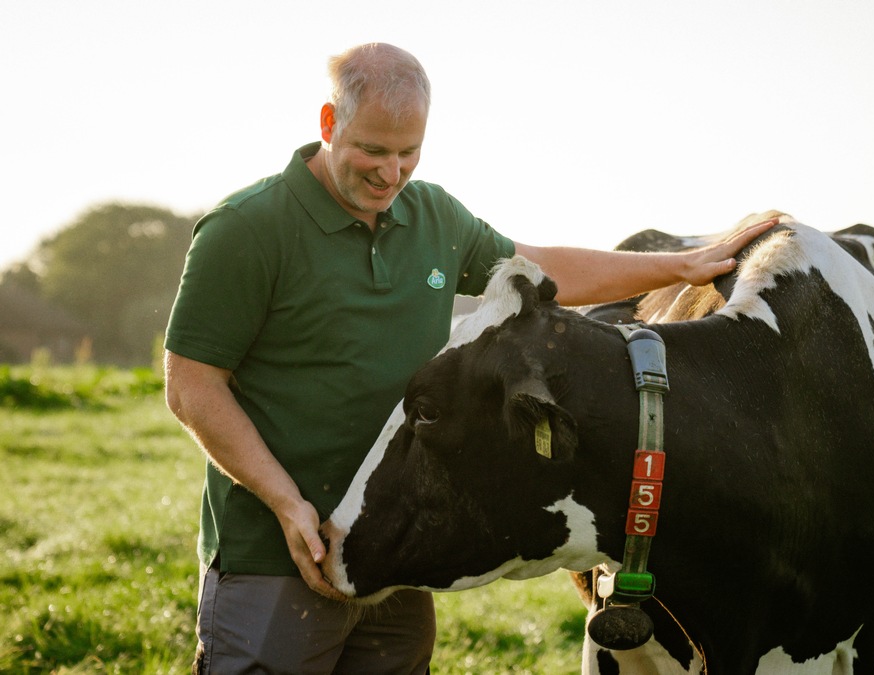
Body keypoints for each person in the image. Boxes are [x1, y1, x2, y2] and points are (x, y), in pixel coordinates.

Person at [164, 42, 774, 674]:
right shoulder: (245, 228)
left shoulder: (433, 215)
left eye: (409, 152)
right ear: (328, 122)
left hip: (391, 548)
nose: (391, 173)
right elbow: (191, 387)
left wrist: (680, 266)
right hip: (273, 558)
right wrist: (286, 502)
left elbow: (545, 269)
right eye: (373, 150)